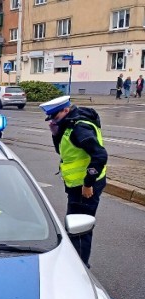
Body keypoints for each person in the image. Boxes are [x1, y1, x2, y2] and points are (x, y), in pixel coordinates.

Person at [39, 95, 108, 268]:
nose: (53, 120)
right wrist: (55, 134)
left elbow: (100, 155)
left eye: (55, 117)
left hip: (84, 187)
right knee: (75, 225)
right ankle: (77, 262)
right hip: (76, 185)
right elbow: (65, 151)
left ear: (66, 110)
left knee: (79, 228)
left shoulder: (79, 128)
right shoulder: (68, 124)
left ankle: (80, 267)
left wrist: (88, 183)